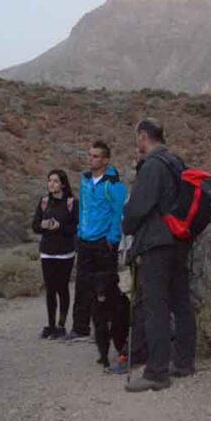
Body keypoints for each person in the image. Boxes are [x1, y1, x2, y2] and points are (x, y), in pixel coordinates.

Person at [122, 118, 196, 392]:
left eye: (136, 138)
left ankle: (156, 372)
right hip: (179, 242)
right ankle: (184, 362)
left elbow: (138, 207)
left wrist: (126, 225)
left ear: (143, 137)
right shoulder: (176, 162)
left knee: (156, 306)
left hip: (156, 244)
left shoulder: (153, 166)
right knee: (181, 302)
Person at [64, 140, 127, 342]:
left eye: (96, 156)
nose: (91, 159)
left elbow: (117, 213)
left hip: (104, 242)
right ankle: (80, 326)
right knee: (82, 283)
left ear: (106, 160)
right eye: (90, 155)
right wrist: (79, 230)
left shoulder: (114, 185)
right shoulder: (84, 180)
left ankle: (107, 325)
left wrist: (112, 238)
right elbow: (83, 208)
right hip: (85, 239)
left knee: (106, 285)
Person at [31, 169, 78, 339]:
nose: (51, 184)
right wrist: (42, 225)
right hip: (47, 252)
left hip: (65, 252)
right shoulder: (44, 202)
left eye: (55, 181)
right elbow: (34, 225)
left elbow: (74, 228)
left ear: (63, 184)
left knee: (62, 288)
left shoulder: (72, 203)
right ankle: (50, 325)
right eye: (49, 180)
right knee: (50, 289)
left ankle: (61, 325)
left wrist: (60, 227)